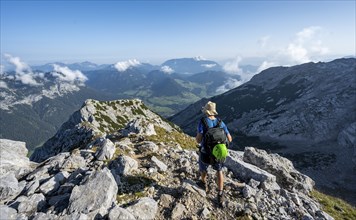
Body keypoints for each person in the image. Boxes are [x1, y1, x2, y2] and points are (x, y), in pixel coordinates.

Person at [196, 101, 232, 206]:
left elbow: (198, 140)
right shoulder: (221, 122)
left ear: (206, 111)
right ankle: (220, 194)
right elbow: (229, 138)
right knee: (219, 171)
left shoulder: (203, 122)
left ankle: (203, 183)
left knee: (203, 168)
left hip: (205, 152)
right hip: (218, 153)